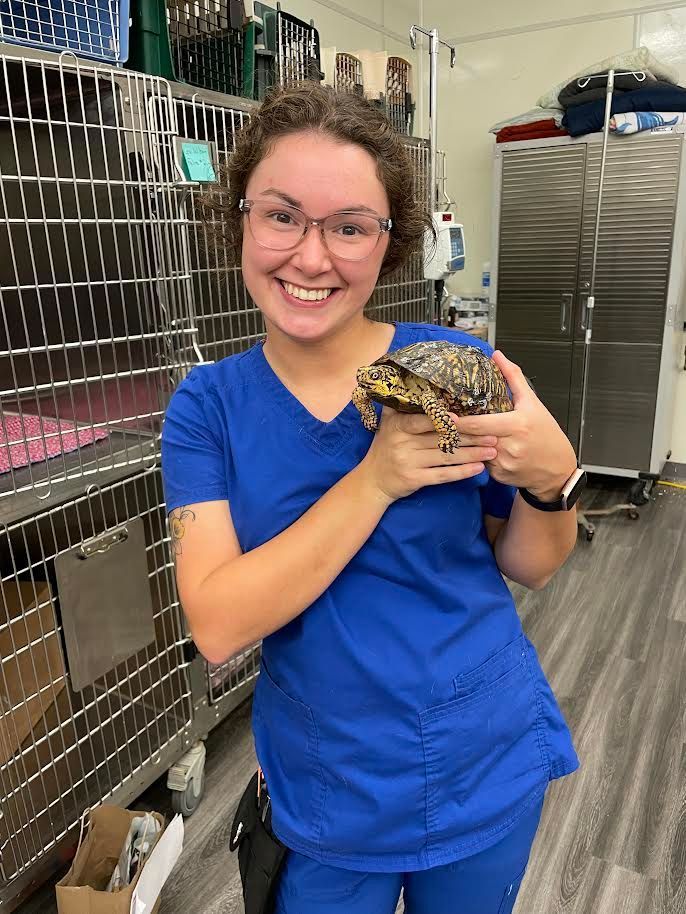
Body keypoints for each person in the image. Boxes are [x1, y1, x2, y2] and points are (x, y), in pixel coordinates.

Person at [161, 83, 581, 914]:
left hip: (481, 761)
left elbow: (533, 563)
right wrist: (377, 477)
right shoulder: (207, 408)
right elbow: (218, 623)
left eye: (349, 227)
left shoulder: (456, 364)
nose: (312, 258)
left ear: (388, 243)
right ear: (239, 220)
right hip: (327, 784)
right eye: (282, 216)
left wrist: (553, 477)